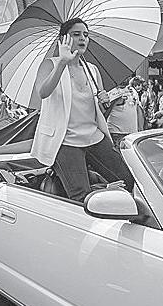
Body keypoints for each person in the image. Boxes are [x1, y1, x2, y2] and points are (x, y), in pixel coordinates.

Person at [32, 18, 135, 202]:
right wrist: (62, 62)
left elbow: (100, 113)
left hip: (94, 136)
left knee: (128, 181)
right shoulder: (50, 64)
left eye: (86, 35)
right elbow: (43, 92)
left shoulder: (92, 70)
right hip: (65, 141)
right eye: (76, 34)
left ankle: (105, 194)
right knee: (81, 197)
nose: (82, 38)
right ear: (63, 39)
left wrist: (105, 102)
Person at [106, 76, 144, 146]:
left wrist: (140, 129)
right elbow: (105, 113)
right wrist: (115, 101)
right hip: (116, 133)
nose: (125, 79)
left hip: (132, 133)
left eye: (127, 77)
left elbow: (138, 110)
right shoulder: (111, 91)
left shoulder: (132, 90)